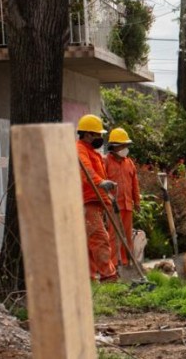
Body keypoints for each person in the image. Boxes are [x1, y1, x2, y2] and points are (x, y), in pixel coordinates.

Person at [76, 114, 118, 282]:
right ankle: (109, 276)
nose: (100, 138)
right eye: (98, 134)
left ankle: (90, 277)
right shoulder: (79, 149)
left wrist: (106, 191)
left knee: (91, 241)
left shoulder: (91, 152)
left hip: (95, 200)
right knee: (100, 238)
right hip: (87, 201)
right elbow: (86, 171)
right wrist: (101, 182)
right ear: (87, 134)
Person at [104, 128, 140, 268]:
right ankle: (113, 265)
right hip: (113, 206)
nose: (125, 148)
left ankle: (127, 262)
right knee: (113, 235)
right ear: (114, 146)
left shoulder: (129, 162)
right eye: (122, 145)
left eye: (126, 145)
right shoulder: (106, 162)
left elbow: (134, 184)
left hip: (127, 205)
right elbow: (102, 183)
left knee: (127, 235)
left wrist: (137, 201)